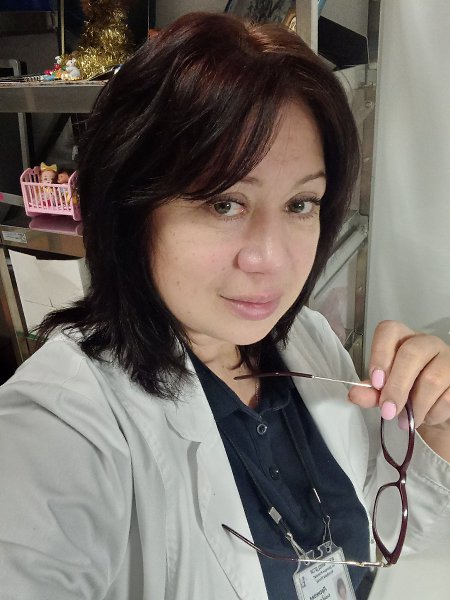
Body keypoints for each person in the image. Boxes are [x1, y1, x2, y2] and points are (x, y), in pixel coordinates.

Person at [0, 12, 449, 600]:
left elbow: (367, 528)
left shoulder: (306, 339)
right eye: (223, 203)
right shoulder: (61, 426)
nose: (271, 259)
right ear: (132, 208)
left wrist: (434, 430)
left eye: (300, 204)